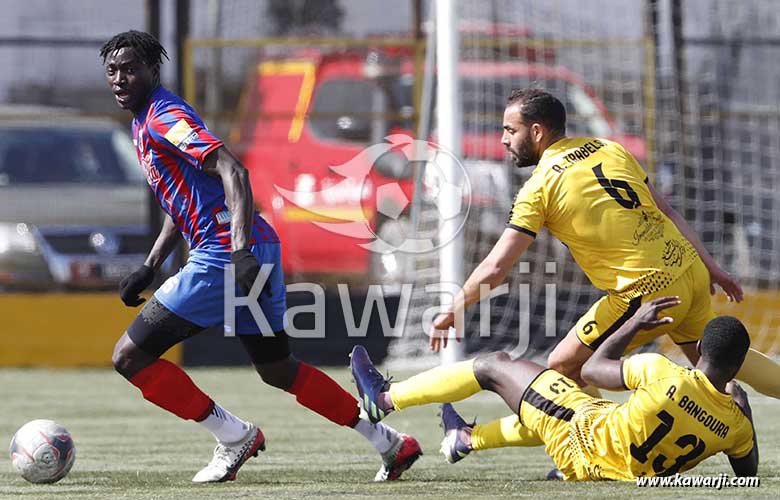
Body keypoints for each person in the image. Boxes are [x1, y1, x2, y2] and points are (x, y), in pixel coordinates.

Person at [101, 30, 421, 483]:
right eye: (112, 71)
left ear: (154, 70)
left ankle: (234, 437)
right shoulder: (143, 121)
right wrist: (151, 265)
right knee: (277, 369)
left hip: (222, 254)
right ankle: (391, 442)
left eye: (130, 68)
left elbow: (233, 170)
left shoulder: (163, 116)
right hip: (252, 246)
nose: (119, 78)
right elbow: (185, 201)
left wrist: (238, 252)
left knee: (130, 357)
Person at [424, 88, 780, 456]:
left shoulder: (540, 186)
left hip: (647, 288)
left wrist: (454, 308)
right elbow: (668, 212)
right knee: (713, 363)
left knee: (562, 365)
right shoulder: (608, 148)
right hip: (687, 268)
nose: (502, 140)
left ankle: (586, 447)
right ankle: (486, 439)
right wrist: (712, 266)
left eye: (509, 131)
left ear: (536, 132)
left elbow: (496, 267)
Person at [351, 297, 758, 480]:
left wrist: (633, 325)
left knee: (495, 365)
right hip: (610, 461)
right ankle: (465, 438)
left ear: (699, 349)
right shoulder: (735, 426)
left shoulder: (664, 372)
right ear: (739, 366)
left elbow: (596, 368)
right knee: (549, 400)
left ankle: (385, 399)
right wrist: (744, 412)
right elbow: (747, 470)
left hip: (581, 440)